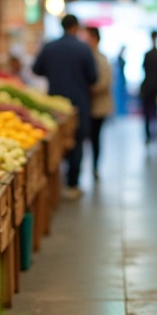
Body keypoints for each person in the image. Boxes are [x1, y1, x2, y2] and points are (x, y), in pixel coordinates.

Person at [33, 14, 97, 199]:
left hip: (54, 104)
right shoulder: (84, 49)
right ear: (76, 27)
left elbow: (36, 69)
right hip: (78, 104)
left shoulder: (49, 47)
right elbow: (93, 78)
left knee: (56, 143)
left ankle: (55, 185)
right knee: (76, 142)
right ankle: (71, 184)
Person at [85, 27, 113, 180]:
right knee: (92, 137)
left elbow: (104, 82)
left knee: (95, 137)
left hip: (98, 106)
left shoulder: (100, 59)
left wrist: (89, 89)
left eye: (87, 37)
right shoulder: (88, 56)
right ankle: (93, 166)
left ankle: (95, 166)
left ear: (94, 38)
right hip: (91, 106)